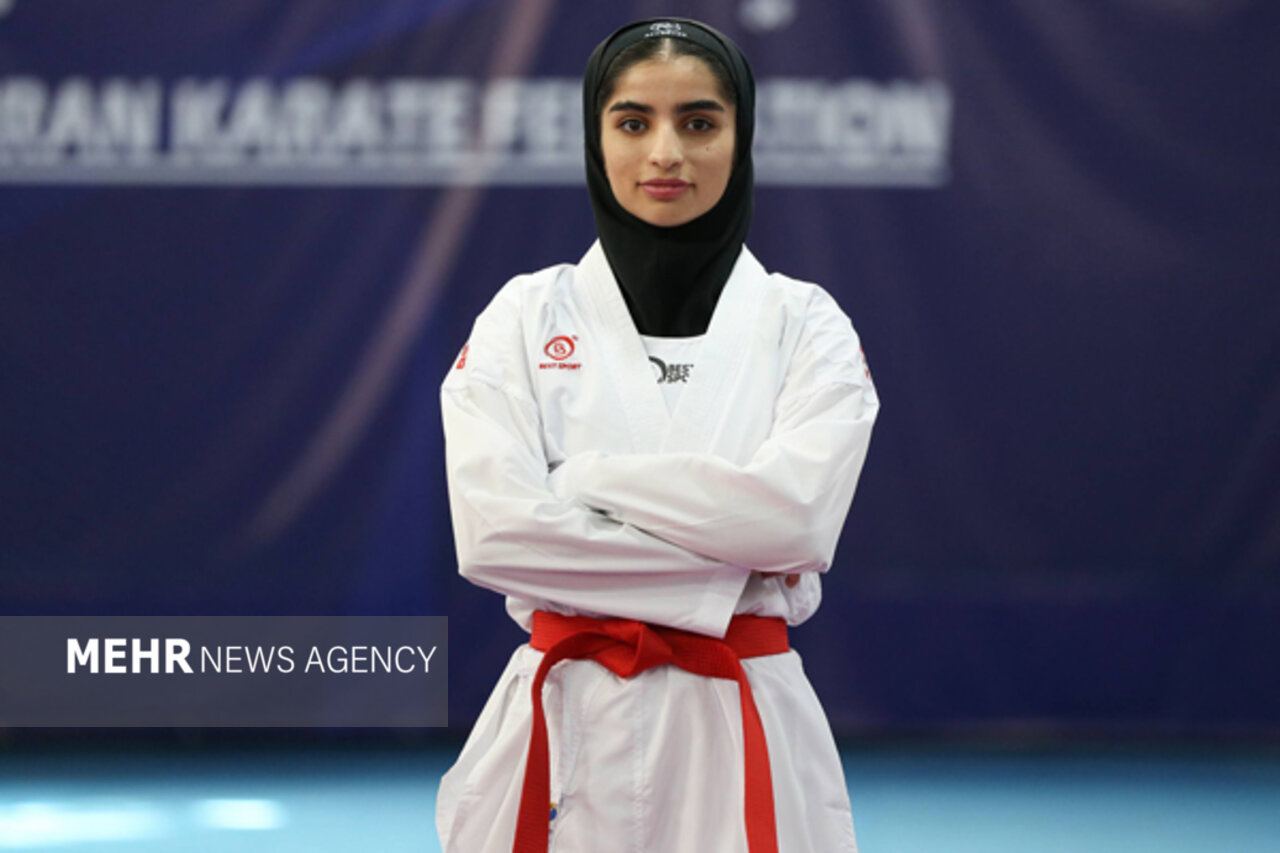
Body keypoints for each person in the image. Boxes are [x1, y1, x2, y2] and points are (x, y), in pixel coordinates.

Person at [437, 17, 877, 853]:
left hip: (743, 713)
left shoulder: (805, 323)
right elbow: (495, 535)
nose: (665, 153)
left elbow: (795, 522)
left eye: (699, 122)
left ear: (742, 137)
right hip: (568, 719)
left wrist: (583, 479)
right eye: (634, 122)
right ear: (595, 137)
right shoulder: (524, 317)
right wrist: (729, 562)